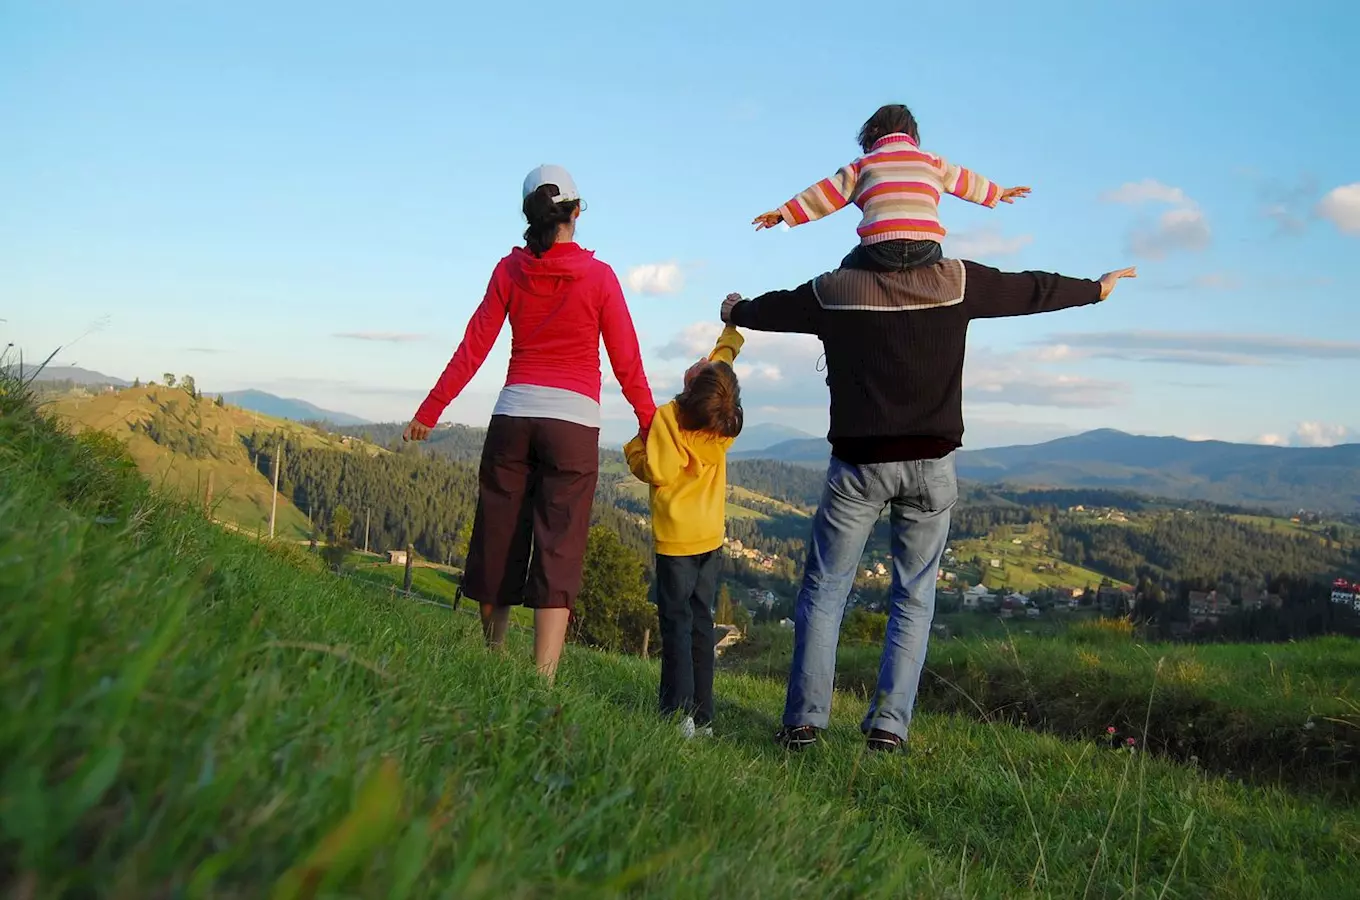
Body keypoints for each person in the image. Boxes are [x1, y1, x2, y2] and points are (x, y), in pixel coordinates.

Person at [720, 259, 1136, 752]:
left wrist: (738, 310)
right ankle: (888, 729)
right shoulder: (956, 280)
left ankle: (803, 724)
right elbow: (1027, 291)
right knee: (914, 598)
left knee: (826, 590)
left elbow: (777, 308)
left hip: (858, 465)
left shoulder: (836, 288)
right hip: (932, 464)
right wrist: (1094, 288)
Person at [404, 164, 656, 682]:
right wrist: (650, 421)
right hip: (574, 424)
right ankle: (541, 680)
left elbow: (474, 346)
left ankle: (492, 660)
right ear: (576, 212)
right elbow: (627, 359)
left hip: (514, 416)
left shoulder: (509, 270)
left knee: (499, 536)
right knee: (559, 546)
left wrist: (430, 411)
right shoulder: (600, 276)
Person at [623, 325, 745, 738]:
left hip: (676, 541)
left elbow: (654, 470)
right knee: (701, 623)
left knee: (675, 625)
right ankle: (704, 715)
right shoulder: (719, 419)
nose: (703, 362)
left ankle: (678, 715)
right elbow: (722, 364)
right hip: (709, 538)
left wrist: (634, 449)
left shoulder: (670, 420)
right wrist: (730, 332)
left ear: (692, 388)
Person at [751, 103, 1030, 273]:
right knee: (939, 268)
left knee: (847, 269)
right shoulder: (932, 162)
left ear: (872, 132)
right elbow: (966, 181)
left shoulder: (863, 165)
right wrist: (998, 192)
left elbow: (824, 194)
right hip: (927, 249)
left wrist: (784, 213)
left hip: (878, 250)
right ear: (912, 134)